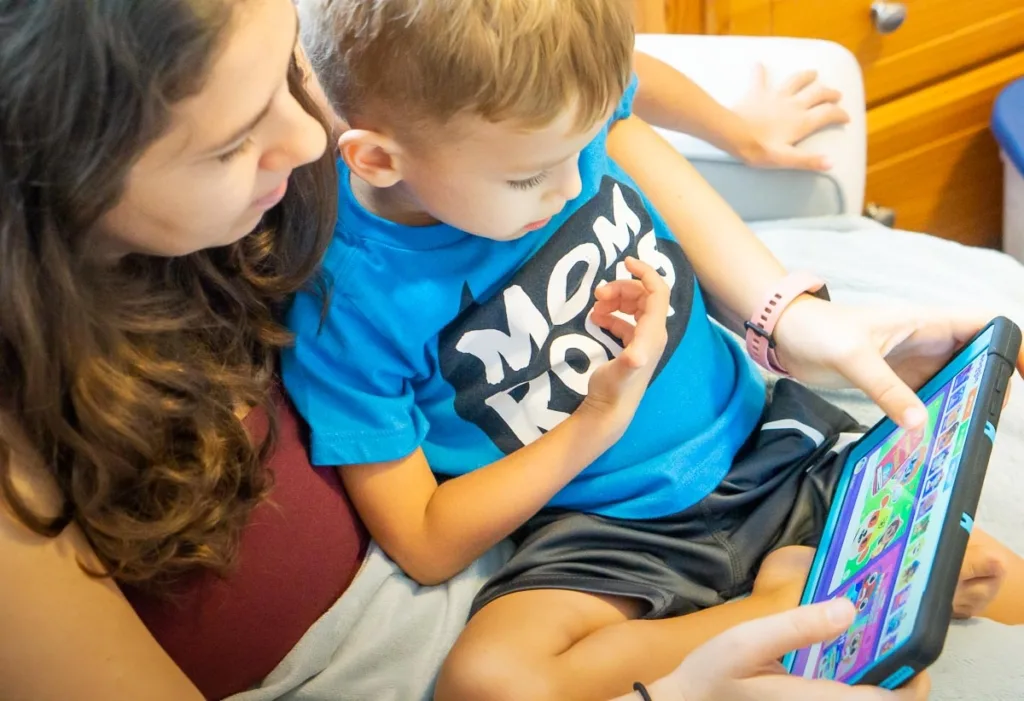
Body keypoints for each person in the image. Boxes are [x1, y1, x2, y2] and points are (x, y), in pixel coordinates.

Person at [0, 1, 934, 701]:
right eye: (233, 145)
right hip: (585, 574)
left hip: (726, 446)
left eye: (287, 70)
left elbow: (599, 108)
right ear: (54, 177)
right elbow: (429, 535)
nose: (309, 136)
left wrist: (779, 299)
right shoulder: (352, 282)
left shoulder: (348, 119)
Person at [287, 2, 1024, 701]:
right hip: (599, 531)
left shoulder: (545, 121)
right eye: (527, 176)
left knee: (998, 574)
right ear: (379, 159)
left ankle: (808, 602)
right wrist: (595, 421)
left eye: (588, 145)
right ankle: (802, 603)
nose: (576, 184)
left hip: (764, 440)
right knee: (487, 681)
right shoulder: (344, 303)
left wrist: (737, 132)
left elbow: (630, 90)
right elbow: (423, 540)